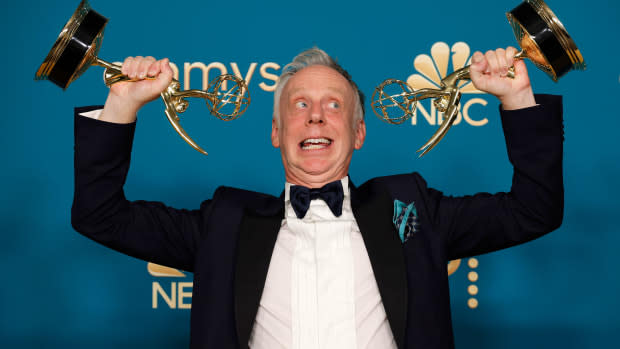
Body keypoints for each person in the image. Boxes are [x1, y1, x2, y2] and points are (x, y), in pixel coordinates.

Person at [72, 46, 563, 349]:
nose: (315, 117)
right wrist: (123, 103)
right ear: (276, 130)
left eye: (334, 106)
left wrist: (515, 97)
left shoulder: (412, 208)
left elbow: (533, 210)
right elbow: (101, 215)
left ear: (359, 132)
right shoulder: (225, 221)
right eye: (299, 105)